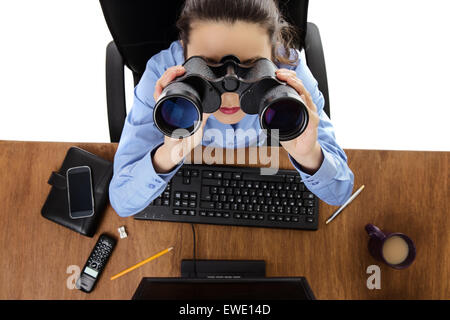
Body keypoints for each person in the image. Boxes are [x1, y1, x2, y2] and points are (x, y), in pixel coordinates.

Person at [109, 0, 354, 217]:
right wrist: (169, 153)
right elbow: (121, 200)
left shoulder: (290, 73)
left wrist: (308, 154)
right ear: (183, 49)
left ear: (274, 52)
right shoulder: (162, 75)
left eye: (252, 64)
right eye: (207, 63)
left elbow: (340, 193)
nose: (229, 96)